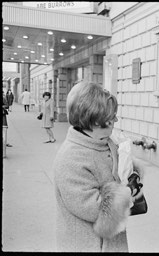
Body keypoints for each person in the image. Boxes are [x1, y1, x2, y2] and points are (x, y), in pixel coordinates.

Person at [53, 82, 143, 252]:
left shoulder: (106, 143)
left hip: (111, 242)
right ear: (94, 121)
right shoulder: (71, 158)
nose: (115, 120)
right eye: (111, 117)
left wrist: (132, 174)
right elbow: (98, 211)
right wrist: (127, 193)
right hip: (88, 245)